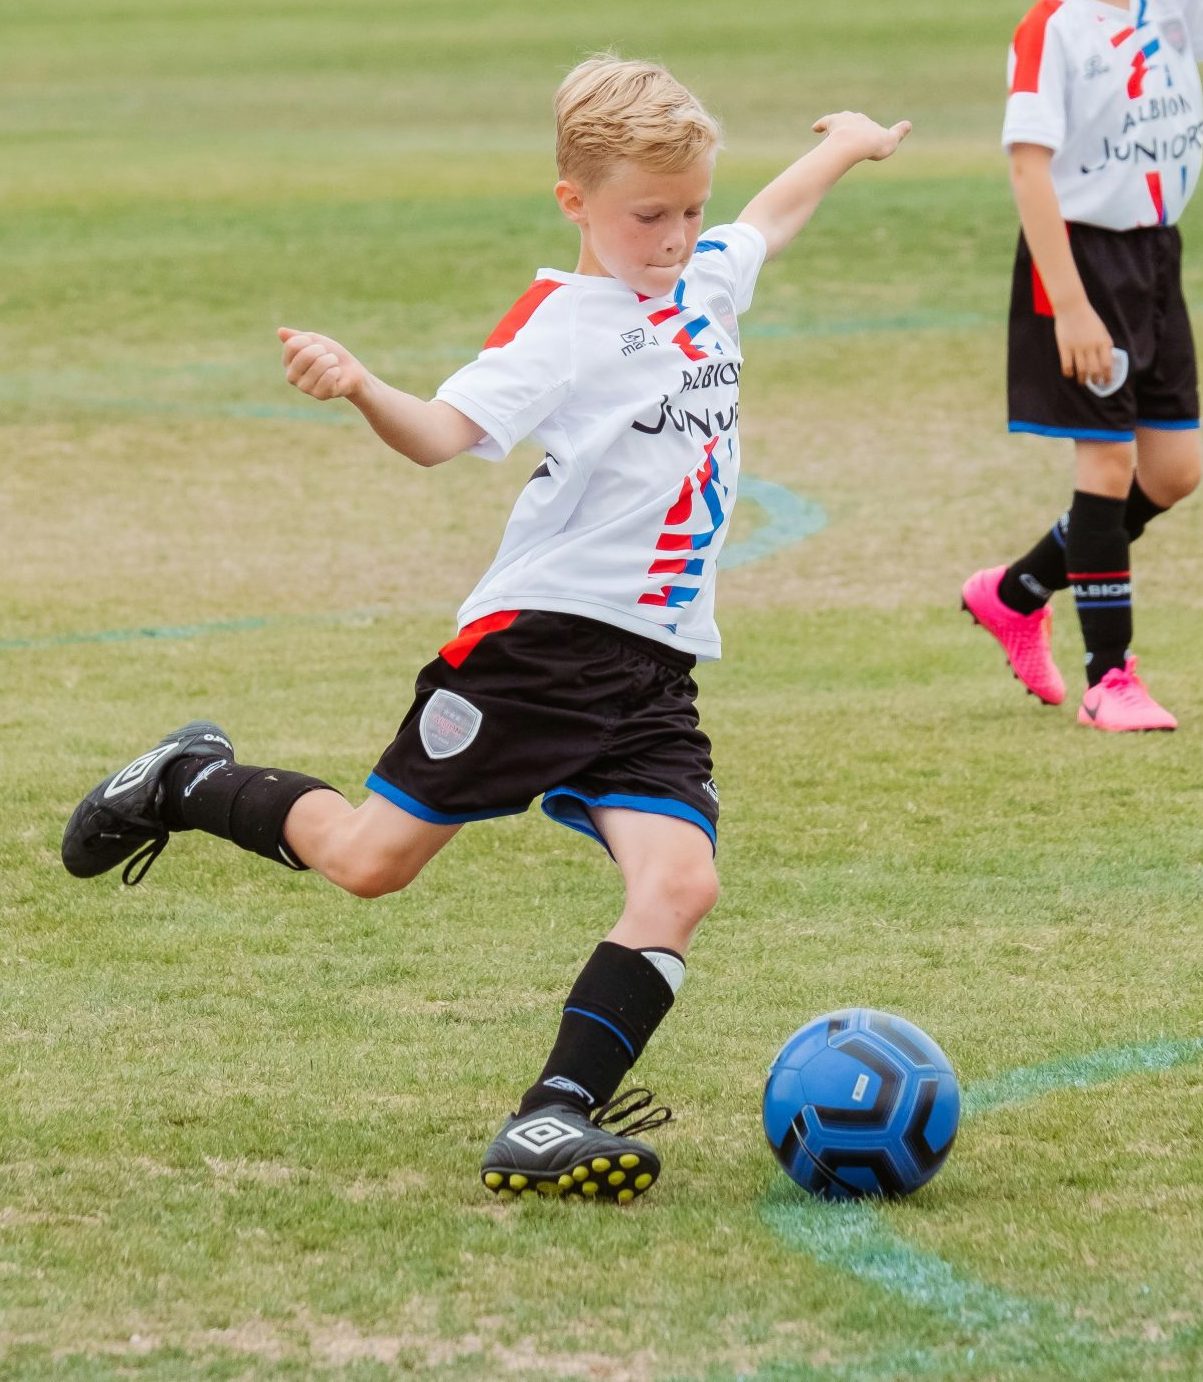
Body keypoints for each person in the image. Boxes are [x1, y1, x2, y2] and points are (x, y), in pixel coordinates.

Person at [61, 56, 909, 1201]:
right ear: (578, 204)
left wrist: (846, 142)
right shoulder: (564, 324)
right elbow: (443, 433)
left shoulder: (705, 282)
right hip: (542, 648)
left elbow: (768, 218)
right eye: (646, 215)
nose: (673, 235)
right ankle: (183, 781)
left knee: (681, 884)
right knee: (370, 863)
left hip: (656, 668)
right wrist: (363, 384)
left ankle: (550, 1117)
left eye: (689, 209)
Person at [963, 0, 1203, 731]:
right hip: (1077, 261)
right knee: (1103, 467)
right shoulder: (1051, 27)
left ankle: (1016, 592)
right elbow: (1028, 169)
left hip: (1155, 255)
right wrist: (1069, 305)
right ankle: (1109, 681)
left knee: (1173, 471)